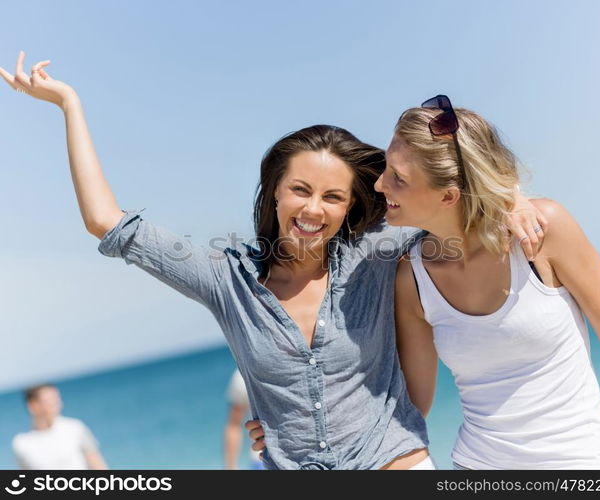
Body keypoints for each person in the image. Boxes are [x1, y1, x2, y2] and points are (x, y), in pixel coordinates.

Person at [1, 52, 544, 469]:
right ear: (275, 192)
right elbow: (107, 222)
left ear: (353, 204)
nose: (313, 209)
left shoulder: (377, 255)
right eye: (300, 190)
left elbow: (451, 198)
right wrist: (68, 103)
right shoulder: (225, 277)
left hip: (396, 466)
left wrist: (513, 198)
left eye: (333, 197)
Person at [383, 95, 600, 469]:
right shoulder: (412, 277)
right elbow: (413, 403)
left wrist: (509, 195)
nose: (381, 184)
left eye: (398, 178)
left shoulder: (544, 230)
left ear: (449, 195)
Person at [11, 384, 108, 470]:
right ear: (32, 406)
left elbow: (98, 465)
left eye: (56, 400)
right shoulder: (21, 443)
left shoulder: (75, 427)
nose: (57, 405)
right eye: (49, 401)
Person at [224, 369, 265, 469]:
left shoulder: (241, 375)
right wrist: (231, 467)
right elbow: (234, 426)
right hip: (261, 459)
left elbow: (234, 425)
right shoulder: (241, 376)